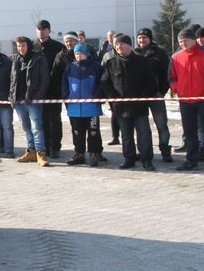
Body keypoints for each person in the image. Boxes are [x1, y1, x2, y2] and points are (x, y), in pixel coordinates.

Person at [100, 34, 156, 170]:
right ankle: (129, 159)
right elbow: (105, 82)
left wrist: (143, 99)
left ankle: (147, 160)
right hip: (121, 107)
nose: (119, 47)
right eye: (117, 45)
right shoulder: (111, 62)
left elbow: (150, 83)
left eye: (122, 44)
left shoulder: (142, 61)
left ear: (129, 45)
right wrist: (113, 98)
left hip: (139, 106)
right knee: (126, 135)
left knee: (144, 134)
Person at [169, 29, 204, 172]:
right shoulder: (175, 57)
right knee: (189, 132)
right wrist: (176, 88)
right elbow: (171, 77)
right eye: (180, 41)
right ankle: (191, 160)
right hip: (185, 101)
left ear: (193, 40)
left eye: (185, 40)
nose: (183, 43)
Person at [9, 35, 49, 167]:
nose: (21, 48)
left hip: (33, 101)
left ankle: (41, 153)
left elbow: (44, 80)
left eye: (23, 45)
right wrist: (11, 96)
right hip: (19, 102)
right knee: (26, 128)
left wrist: (37, 97)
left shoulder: (38, 58)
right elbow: (12, 80)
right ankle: (31, 151)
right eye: (19, 46)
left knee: (36, 127)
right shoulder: (15, 60)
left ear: (28, 45)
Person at [135, 28, 173, 162]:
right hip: (140, 96)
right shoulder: (135, 53)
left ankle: (165, 150)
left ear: (150, 39)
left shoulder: (160, 53)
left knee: (161, 124)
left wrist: (162, 91)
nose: (142, 40)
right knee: (141, 127)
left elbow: (167, 74)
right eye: (139, 38)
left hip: (156, 95)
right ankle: (143, 150)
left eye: (144, 37)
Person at [62, 44, 103, 167]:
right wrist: (66, 97)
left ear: (87, 53)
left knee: (93, 132)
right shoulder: (70, 68)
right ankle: (79, 154)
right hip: (74, 108)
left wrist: (97, 96)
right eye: (76, 53)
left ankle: (94, 153)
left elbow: (102, 83)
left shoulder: (96, 67)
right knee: (77, 132)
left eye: (80, 53)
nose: (78, 55)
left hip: (91, 108)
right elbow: (64, 84)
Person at [35, 20, 65, 158]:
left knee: (54, 120)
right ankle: (44, 146)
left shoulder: (58, 47)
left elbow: (63, 69)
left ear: (49, 30)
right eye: (39, 29)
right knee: (41, 120)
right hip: (37, 91)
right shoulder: (32, 47)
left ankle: (55, 147)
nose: (41, 31)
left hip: (53, 90)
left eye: (44, 29)